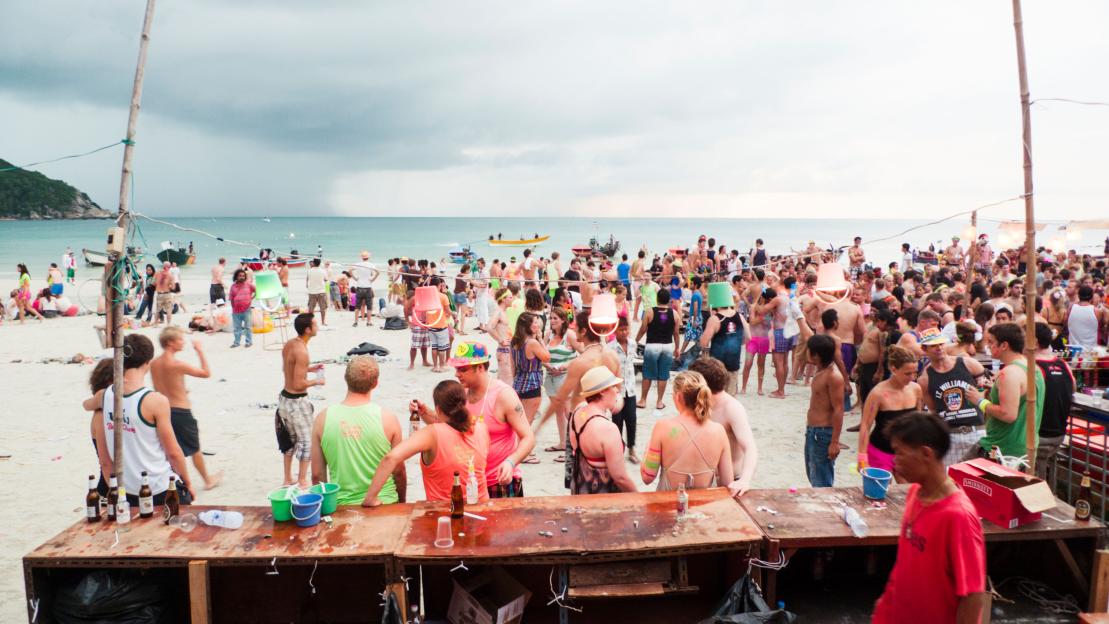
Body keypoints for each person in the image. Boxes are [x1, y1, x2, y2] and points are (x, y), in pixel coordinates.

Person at [872, 411, 987, 624]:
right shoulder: (915, 493)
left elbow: (973, 595)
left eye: (899, 453)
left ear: (926, 454)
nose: (895, 462)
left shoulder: (958, 516)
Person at [90, 334, 195, 506]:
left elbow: (105, 461)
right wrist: (188, 482)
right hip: (158, 487)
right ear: (147, 362)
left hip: (126, 491)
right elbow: (173, 452)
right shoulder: (155, 401)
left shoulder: (106, 395)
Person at [363, 380, 489, 505]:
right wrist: (425, 413)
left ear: (438, 410)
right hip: (481, 507)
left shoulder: (431, 434)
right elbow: (451, 429)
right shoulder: (480, 428)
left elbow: (390, 458)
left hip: (444, 511)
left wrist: (370, 498)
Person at [311, 356, 406, 505]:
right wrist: (402, 503)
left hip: (341, 505)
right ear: (375, 383)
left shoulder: (322, 419)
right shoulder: (388, 419)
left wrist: (325, 508)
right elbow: (399, 471)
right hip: (384, 503)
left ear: (346, 379)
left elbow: (317, 476)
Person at [444, 340, 534, 495]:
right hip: (470, 481)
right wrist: (424, 412)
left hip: (499, 481)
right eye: (456, 368)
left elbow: (528, 437)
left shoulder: (504, 395)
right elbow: (445, 426)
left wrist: (510, 462)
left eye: (462, 369)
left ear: (480, 367)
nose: (457, 374)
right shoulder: (461, 394)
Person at [150, 327, 221, 489]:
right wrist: (200, 351)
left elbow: (160, 387)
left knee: (170, 449)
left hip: (163, 411)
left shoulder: (154, 364)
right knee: (194, 448)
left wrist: (181, 390)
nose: (183, 342)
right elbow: (205, 373)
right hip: (181, 412)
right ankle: (207, 480)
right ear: (170, 343)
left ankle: (174, 482)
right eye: (180, 339)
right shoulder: (176, 364)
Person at [642, 371, 734, 491]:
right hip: (704, 507)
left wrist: (646, 452)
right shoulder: (718, 431)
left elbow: (647, 477)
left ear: (678, 396)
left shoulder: (663, 428)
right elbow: (728, 482)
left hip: (669, 505)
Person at [965, 322, 1045, 460]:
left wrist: (979, 401)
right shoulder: (1033, 368)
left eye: (991, 342)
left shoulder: (1009, 374)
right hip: (1022, 446)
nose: (988, 346)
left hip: (1002, 449)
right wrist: (991, 392)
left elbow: (1008, 414)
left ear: (1004, 345)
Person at [689, 357, 758, 497]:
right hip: (703, 481)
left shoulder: (732, 408)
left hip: (730, 482)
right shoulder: (698, 404)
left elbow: (750, 448)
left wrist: (744, 480)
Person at [917, 328, 986, 467]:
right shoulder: (925, 378)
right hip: (951, 435)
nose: (939, 348)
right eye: (934, 345)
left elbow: (988, 385)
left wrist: (980, 395)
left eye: (941, 344)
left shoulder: (967, 363)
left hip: (976, 430)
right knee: (951, 478)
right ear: (925, 349)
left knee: (979, 479)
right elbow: (933, 410)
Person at [569, 366, 638, 494]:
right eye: (614, 386)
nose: (617, 391)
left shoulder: (578, 411)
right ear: (602, 391)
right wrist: (639, 497)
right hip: (602, 496)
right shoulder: (607, 429)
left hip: (580, 488)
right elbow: (620, 477)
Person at [858, 345, 922, 476]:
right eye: (907, 373)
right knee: (881, 491)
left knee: (908, 490)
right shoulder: (878, 393)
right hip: (880, 450)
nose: (912, 378)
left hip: (905, 452)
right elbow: (865, 425)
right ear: (893, 368)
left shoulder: (916, 389)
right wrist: (862, 457)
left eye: (915, 372)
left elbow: (919, 422)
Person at [278, 313, 325, 488]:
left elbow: (289, 368)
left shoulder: (291, 344)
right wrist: (316, 381)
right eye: (315, 324)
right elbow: (298, 384)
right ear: (307, 329)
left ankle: (287, 478)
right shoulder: (302, 351)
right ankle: (302, 480)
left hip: (284, 399)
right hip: (297, 402)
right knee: (307, 442)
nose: (317, 326)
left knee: (289, 441)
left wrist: (310, 369)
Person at [1033, 322, 1074, 481]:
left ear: (1034, 342)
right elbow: (1073, 387)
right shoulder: (1063, 364)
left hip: (1037, 437)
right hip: (1059, 435)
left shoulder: (1032, 366)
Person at [804, 334, 845, 487]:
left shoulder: (833, 376)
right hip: (813, 431)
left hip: (822, 433)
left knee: (821, 481)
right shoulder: (821, 370)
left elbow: (838, 409)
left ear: (816, 356)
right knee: (813, 474)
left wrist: (834, 442)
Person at [636, 289, 681, 409]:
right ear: (669, 300)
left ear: (657, 299)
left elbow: (643, 329)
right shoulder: (675, 314)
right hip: (667, 346)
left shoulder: (650, 312)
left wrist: (635, 340)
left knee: (648, 374)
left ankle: (643, 400)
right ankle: (659, 402)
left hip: (652, 346)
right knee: (663, 374)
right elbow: (676, 334)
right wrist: (677, 348)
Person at [543, 309, 579, 457]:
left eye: (555, 318)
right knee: (558, 411)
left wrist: (566, 365)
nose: (552, 321)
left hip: (565, 377)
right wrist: (547, 365)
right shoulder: (548, 335)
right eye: (551, 318)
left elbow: (581, 353)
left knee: (567, 412)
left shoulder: (569, 335)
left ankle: (575, 446)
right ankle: (563, 443)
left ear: (563, 320)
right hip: (550, 377)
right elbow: (541, 355)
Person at [700, 292, 747, 396]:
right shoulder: (740, 316)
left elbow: (703, 342)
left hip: (717, 366)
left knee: (715, 397)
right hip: (734, 363)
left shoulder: (715, 319)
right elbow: (748, 338)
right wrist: (735, 342)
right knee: (730, 398)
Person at [511, 312, 550, 434]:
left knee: (519, 418)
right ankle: (524, 448)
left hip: (518, 381)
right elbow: (547, 357)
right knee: (528, 419)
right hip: (532, 383)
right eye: (534, 322)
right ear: (527, 325)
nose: (537, 324)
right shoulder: (532, 343)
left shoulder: (515, 341)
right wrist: (540, 339)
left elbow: (513, 365)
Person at [612, 316, 640, 463]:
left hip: (631, 388)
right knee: (616, 422)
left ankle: (632, 448)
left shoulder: (633, 344)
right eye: (621, 329)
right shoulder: (610, 347)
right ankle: (616, 450)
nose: (624, 332)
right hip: (616, 390)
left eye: (626, 329)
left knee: (631, 419)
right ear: (615, 331)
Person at [1067, 285, 1106, 351]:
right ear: (1092, 297)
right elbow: (1101, 326)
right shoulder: (1097, 311)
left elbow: (1066, 323)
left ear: (1078, 296)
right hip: (1091, 349)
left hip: (1073, 348)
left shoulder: (1071, 308)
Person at [228, 268, 255, 348]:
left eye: (243, 276)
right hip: (236, 311)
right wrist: (233, 308)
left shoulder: (249, 284)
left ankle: (249, 342)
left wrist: (251, 298)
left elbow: (257, 291)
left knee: (248, 327)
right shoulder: (233, 287)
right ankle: (236, 343)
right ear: (236, 277)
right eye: (240, 276)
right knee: (237, 328)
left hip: (247, 309)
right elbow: (232, 298)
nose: (242, 277)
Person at [352, 251, 379, 327]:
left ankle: (356, 322)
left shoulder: (358, 264)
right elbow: (378, 272)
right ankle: (369, 322)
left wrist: (355, 278)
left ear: (361, 257)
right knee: (369, 306)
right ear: (368, 257)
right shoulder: (371, 265)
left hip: (360, 287)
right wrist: (372, 279)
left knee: (357, 306)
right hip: (368, 287)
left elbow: (350, 270)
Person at [306, 258, 329, 326]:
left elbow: (308, 279)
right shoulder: (323, 271)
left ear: (314, 263)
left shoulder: (309, 271)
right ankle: (323, 322)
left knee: (311, 308)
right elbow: (326, 279)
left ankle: (310, 322)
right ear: (319, 263)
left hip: (312, 291)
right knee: (323, 308)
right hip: (321, 291)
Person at [155, 261, 175, 326]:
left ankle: (155, 324)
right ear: (167, 267)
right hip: (167, 294)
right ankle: (168, 324)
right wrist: (169, 285)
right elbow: (173, 287)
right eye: (169, 267)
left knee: (158, 310)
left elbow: (153, 283)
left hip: (159, 294)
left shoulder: (157, 273)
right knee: (169, 310)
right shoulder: (170, 275)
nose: (170, 268)